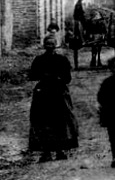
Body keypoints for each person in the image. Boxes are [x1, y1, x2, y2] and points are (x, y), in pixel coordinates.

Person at [28, 35, 79, 163]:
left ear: (56, 45)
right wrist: (43, 76)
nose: (49, 46)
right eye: (47, 44)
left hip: (58, 93)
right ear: (44, 45)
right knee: (42, 122)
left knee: (60, 122)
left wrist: (57, 78)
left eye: (52, 44)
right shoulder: (39, 60)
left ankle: (60, 151)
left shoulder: (62, 60)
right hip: (43, 93)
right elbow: (32, 75)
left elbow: (67, 78)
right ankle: (46, 152)